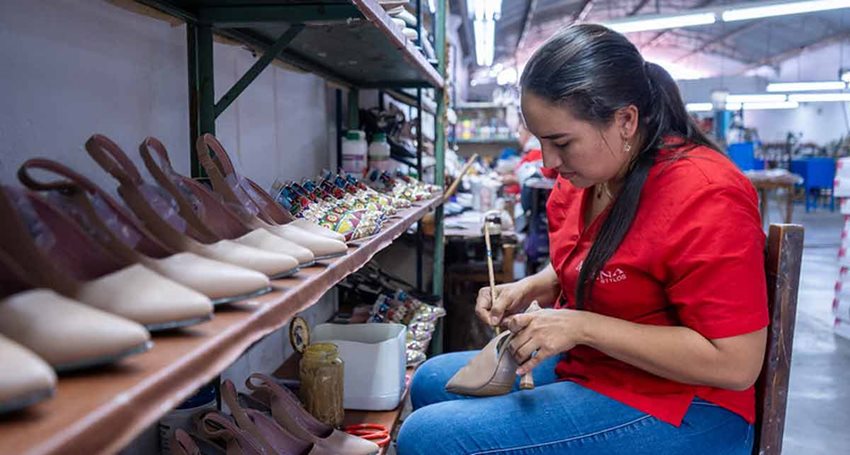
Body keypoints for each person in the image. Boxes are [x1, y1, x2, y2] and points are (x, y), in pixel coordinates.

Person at [396, 23, 767, 455]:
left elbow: (736, 363)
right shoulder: (591, 178)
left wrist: (583, 326)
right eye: (540, 141)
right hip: (609, 367)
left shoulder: (704, 194)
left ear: (625, 120)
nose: (549, 163)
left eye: (561, 142)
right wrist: (533, 285)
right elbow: (611, 262)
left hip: (688, 404)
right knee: (429, 380)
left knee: (427, 437)